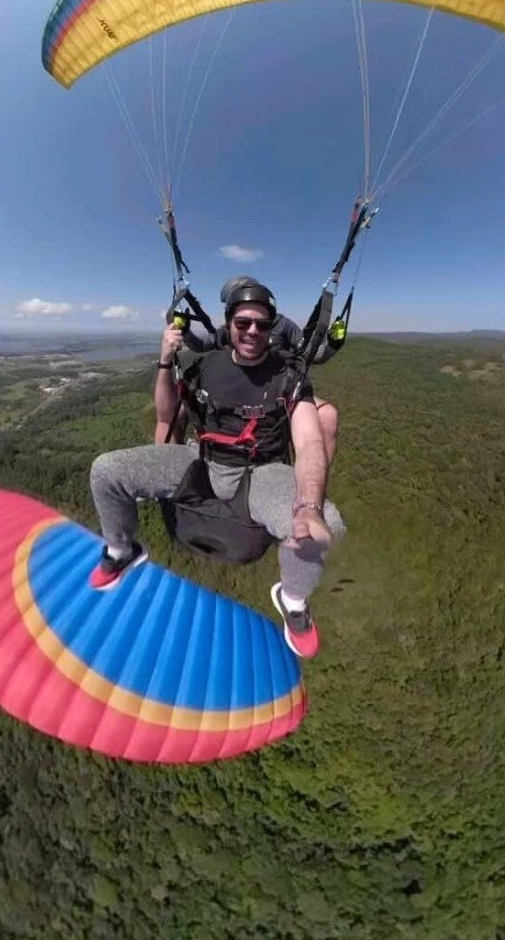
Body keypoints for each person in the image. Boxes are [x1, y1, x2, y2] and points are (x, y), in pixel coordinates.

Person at [88, 281, 345, 658]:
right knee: (106, 471)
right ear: (230, 324)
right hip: (202, 459)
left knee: (328, 526)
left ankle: (293, 600)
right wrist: (164, 360)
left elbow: (308, 441)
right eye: (243, 323)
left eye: (261, 324)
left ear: (272, 327)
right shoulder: (206, 366)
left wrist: (307, 506)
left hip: (262, 471)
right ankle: (121, 548)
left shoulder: (289, 376)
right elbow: (166, 411)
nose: (253, 331)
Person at [170, 275, 343, 464]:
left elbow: (310, 355)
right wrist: (184, 330)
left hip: (276, 388)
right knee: (176, 410)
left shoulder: (283, 325)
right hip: (233, 387)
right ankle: (179, 467)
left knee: (327, 415)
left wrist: (332, 344)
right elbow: (202, 345)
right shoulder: (233, 328)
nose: (251, 330)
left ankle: (313, 479)